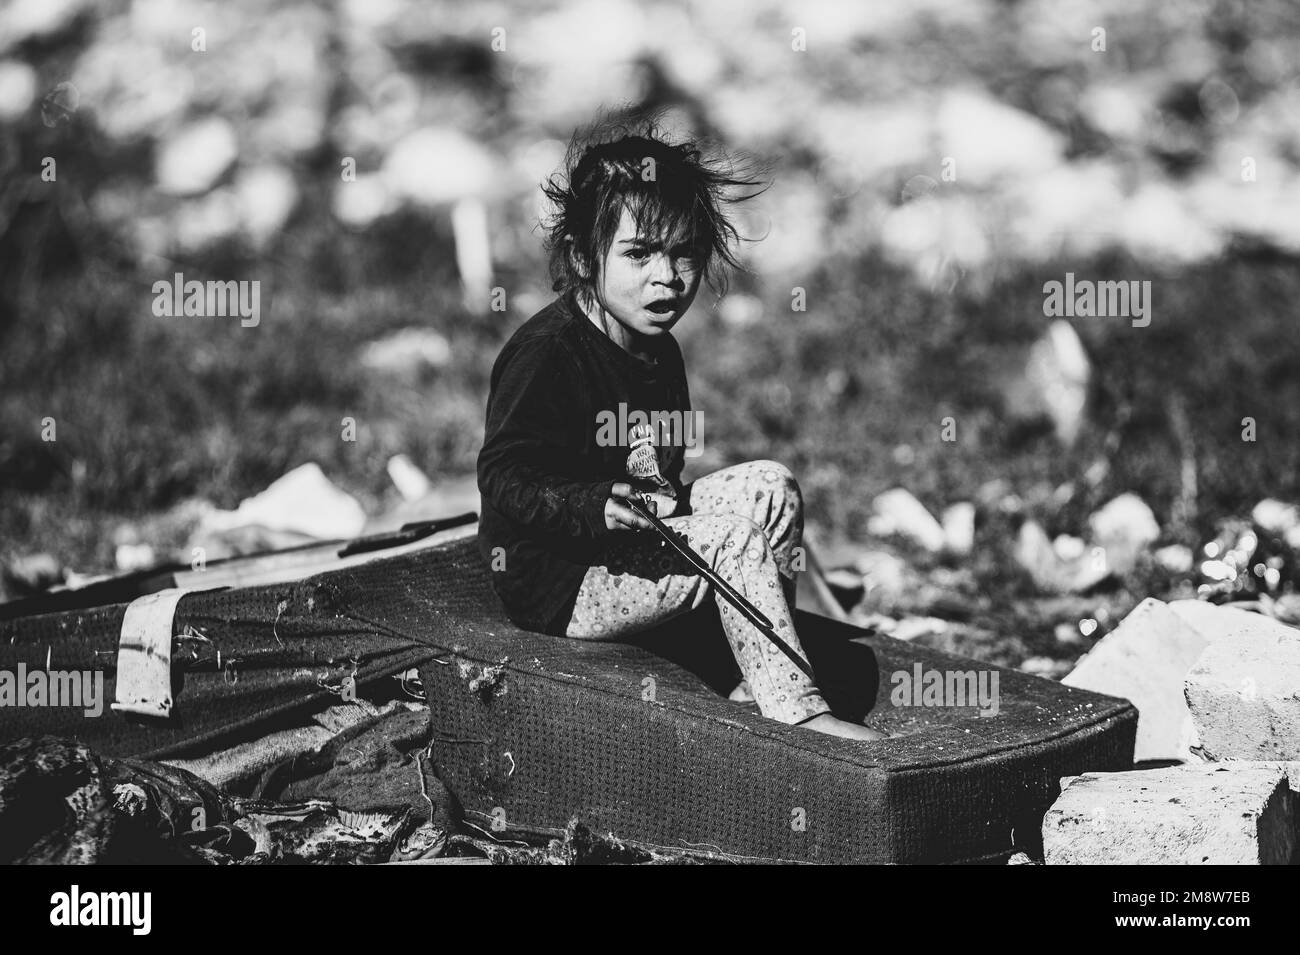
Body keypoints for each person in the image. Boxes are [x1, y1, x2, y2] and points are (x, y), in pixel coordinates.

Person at [476, 117, 883, 741]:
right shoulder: (549, 354)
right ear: (585, 258)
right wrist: (592, 505)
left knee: (771, 488)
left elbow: (655, 463)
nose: (666, 277)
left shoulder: (655, 346)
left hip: (634, 536)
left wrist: (657, 501)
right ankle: (797, 714)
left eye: (684, 253)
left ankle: (756, 670)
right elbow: (502, 474)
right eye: (638, 254)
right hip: (566, 581)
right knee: (730, 542)